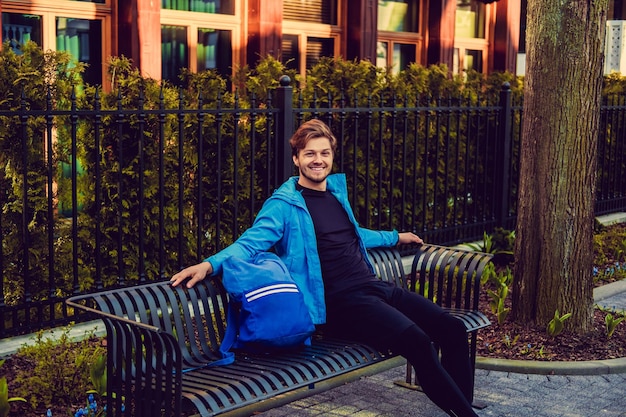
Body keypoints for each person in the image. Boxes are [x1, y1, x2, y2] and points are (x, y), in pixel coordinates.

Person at [171, 119, 480, 417]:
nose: (317, 160)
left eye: (324, 153)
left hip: (374, 288)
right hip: (342, 303)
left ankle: (461, 406)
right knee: (419, 343)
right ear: (296, 159)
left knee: (451, 329)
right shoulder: (284, 205)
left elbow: (356, 234)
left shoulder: (334, 194)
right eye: (310, 154)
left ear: (331, 156)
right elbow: (248, 244)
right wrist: (209, 265)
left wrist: (396, 236)